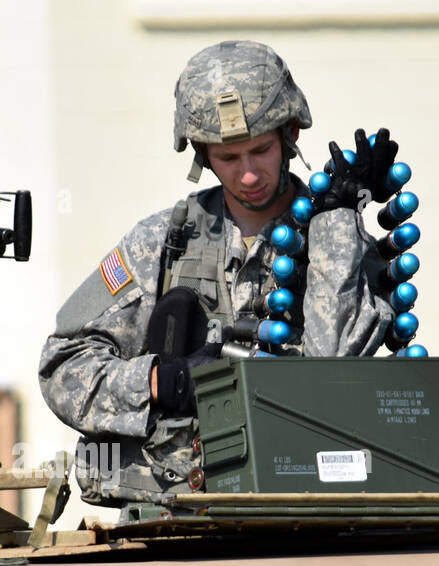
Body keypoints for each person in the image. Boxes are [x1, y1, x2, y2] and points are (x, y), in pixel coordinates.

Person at [39, 40, 398, 508]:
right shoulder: (160, 244)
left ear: (290, 135)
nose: (249, 174)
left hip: (300, 507)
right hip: (174, 512)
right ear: (202, 155)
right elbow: (62, 365)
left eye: (261, 151)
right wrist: (160, 382)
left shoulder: (342, 246)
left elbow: (332, 373)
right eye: (228, 158)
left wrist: (334, 227)